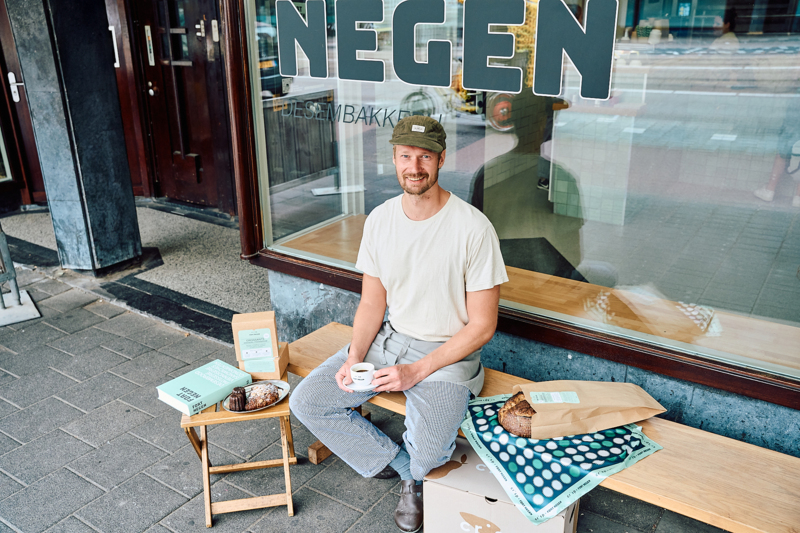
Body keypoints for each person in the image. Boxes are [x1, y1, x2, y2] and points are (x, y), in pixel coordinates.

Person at [289, 116, 508, 533]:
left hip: (448, 355)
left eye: (425, 156)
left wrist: (417, 371)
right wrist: (353, 357)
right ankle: (405, 471)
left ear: (442, 159)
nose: (415, 166)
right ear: (394, 159)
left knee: (431, 454)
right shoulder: (381, 219)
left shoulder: (473, 228)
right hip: (389, 342)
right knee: (310, 401)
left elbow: (481, 327)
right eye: (406, 155)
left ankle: (417, 467)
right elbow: (372, 303)